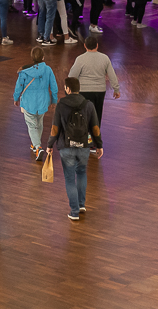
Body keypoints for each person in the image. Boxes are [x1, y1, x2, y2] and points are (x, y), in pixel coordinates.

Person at [47, 77, 104, 222]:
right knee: (82, 172)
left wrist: (49, 145)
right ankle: (81, 204)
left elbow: (55, 128)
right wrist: (99, 145)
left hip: (66, 147)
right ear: (79, 88)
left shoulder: (61, 105)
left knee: (69, 178)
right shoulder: (88, 105)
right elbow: (95, 128)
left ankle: (74, 211)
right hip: (84, 146)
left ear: (67, 89)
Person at [14, 46, 59, 161]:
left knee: (32, 125)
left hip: (29, 102)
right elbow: (54, 87)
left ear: (32, 57)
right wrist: (54, 100)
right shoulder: (48, 70)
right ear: (43, 57)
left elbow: (19, 87)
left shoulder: (24, 72)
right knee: (39, 123)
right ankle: (34, 144)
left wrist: (16, 98)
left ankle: (38, 147)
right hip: (43, 101)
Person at [69, 37, 121, 131]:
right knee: (96, 115)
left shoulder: (80, 59)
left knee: (83, 115)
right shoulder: (105, 58)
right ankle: (93, 139)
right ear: (97, 45)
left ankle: (84, 139)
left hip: (83, 92)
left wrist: (70, 91)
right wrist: (116, 89)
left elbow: (72, 76)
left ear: (85, 46)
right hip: (99, 92)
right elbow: (112, 75)